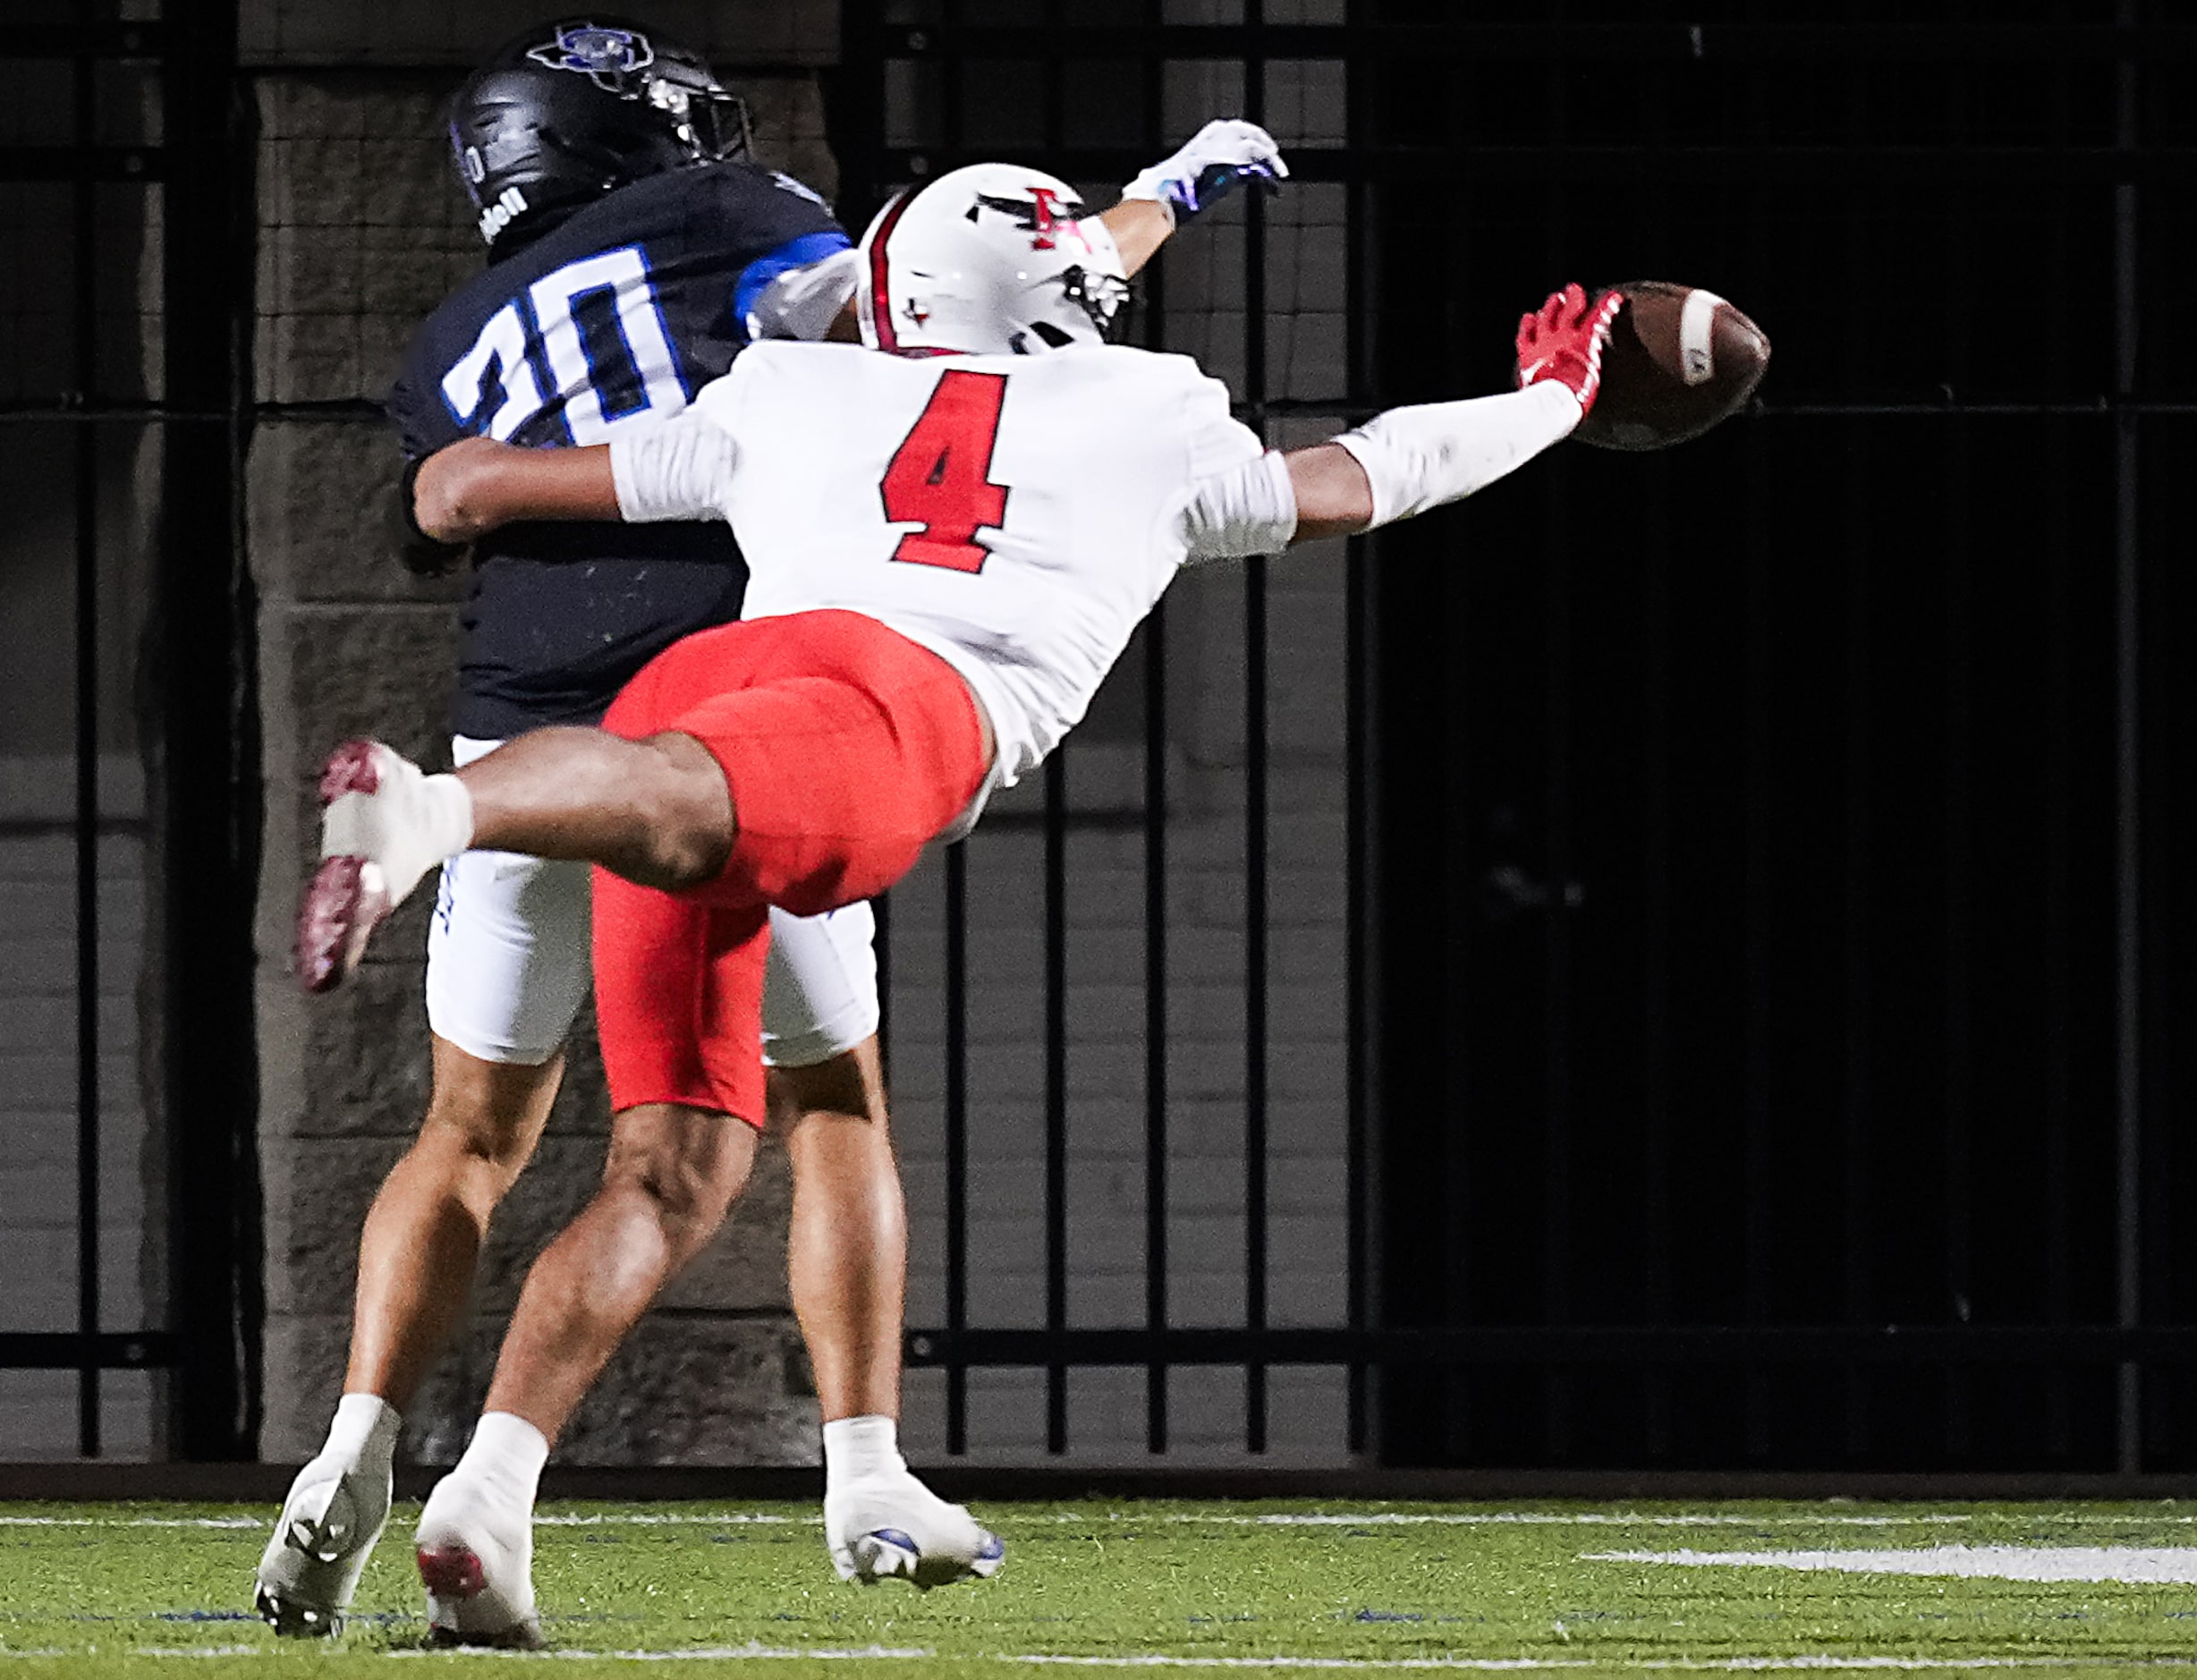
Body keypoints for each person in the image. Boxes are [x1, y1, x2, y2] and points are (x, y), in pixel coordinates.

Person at [293, 157, 1622, 1647]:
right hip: (896, 708)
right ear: (1075, 299)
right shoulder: (1150, 413)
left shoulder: (797, 389)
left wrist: (446, 491)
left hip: (712, 676)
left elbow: (500, 482)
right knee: (739, 969)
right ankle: (428, 811)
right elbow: (1378, 471)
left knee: (685, 1157)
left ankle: (494, 1491)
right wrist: (1552, 400)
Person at [254, 13, 1289, 1641]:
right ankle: (862, 1466)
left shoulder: (450, 335)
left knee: (468, 1132)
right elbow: (1017, 288)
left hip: (518, 720)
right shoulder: (745, 222)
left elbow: (438, 509)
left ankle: (344, 1460)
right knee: (807, 1105)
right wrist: (1174, 188)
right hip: (723, 714)